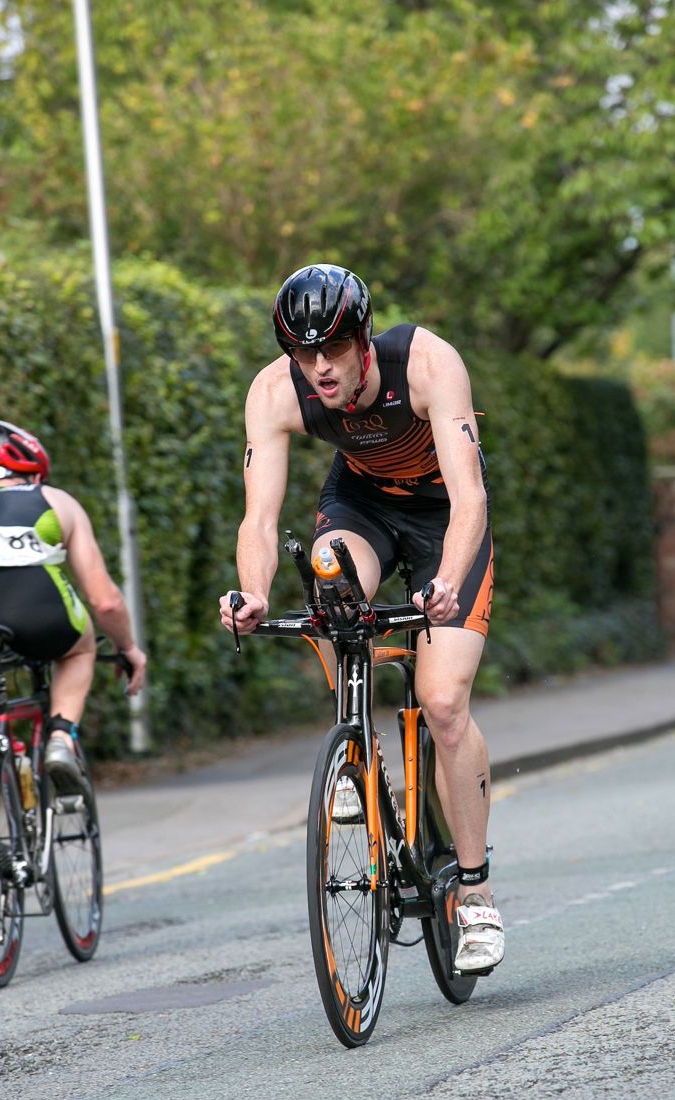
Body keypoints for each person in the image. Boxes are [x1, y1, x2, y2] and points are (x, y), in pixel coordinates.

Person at [219, 263, 504, 973]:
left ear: (363, 339)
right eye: (301, 352)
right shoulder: (273, 390)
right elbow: (258, 515)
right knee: (329, 578)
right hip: (363, 507)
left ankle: (474, 895)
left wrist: (442, 581)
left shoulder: (430, 363)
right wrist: (251, 591)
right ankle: (357, 763)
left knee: (442, 702)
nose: (318, 368)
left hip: (445, 520)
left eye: (332, 350)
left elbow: (470, 499)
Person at [0, 420, 147, 792]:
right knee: (79, 650)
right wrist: (127, 648)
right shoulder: (55, 501)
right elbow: (105, 601)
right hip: (43, 613)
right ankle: (61, 739)